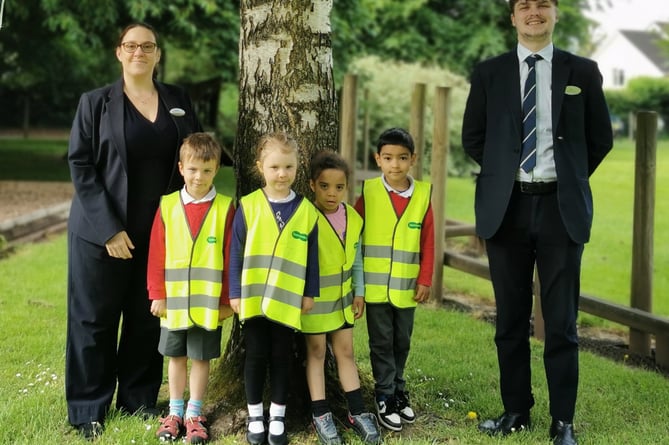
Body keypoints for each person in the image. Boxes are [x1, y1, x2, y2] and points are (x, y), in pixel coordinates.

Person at [461, 1, 613, 445]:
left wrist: (566, 174)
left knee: (562, 323)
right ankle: (515, 411)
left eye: (542, 4)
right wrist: (504, 172)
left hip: (560, 211)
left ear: (555, 13)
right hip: (506, 209)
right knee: (509, 319)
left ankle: (562, 422)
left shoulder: (582, 72)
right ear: (512, 17)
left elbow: (599, 139)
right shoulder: (489, 73)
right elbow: (474, 137)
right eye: (524, 5)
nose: (533, 12)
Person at [66, 22, 202, 440]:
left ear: (158, 54)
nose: (139, 52)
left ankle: (138, 401)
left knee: (147, 320)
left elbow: (195, 156)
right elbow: (81, 166)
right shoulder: (94, 103)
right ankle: (88, 408)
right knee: (94, 321)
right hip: (100, 234)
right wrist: (109, 229)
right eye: (131, 45)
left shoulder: (178, 100)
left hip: (160, 233)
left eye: (147, 46)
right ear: (119, 53)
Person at [228, 131, 320, 445]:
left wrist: (310, 292)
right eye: (275, 167)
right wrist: (235, 293)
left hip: (287, 300)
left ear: (298, 167)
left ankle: (277, 416)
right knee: (254, 356)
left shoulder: (307, 211)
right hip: (253, 299)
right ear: (260, 168)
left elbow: (312, 257)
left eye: (289, 167)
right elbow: (236, 251)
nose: (282, 174)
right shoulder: (249, 205)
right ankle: (256, 415)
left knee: (283, 357)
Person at [146, 133, 234, 444]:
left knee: (200, 357)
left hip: (208, 304)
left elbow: (229, 256)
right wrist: (157, 293)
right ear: (182, 168)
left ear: (217, 170)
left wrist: (226, 301)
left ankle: (195, 414)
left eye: (207, 170)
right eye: (193, 169)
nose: (199, 177)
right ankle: (174, 412)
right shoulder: (168, 205)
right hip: (173, 304)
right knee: (176, 357)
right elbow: (156, 252)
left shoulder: (225, 208)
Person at [354, 127, 435, 432]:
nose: (395, 165)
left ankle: (399, 389)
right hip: (374, 290)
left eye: (402, 158)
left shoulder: (423, 195)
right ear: (378, 159)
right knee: (381, 342)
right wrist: (355, 285)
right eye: (388, 158)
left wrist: (425, 278)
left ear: (412, 159)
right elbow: (355, 235)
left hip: (406, 288)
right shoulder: (370, 192)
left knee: (402, 341)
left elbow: (428, 240)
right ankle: (385, 394)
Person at [303, 151, 381, 445]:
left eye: (338, 187)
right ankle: (321, 414)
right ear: (312, 185)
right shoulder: (306, 217)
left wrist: (359, 292)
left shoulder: (354, 217)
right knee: (317, 354)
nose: (332, 194)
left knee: (346, 353)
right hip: (314, 304)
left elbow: (357, 259)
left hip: (344, 301)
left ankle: (358, 412)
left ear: (346, 187)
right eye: (324, 186)